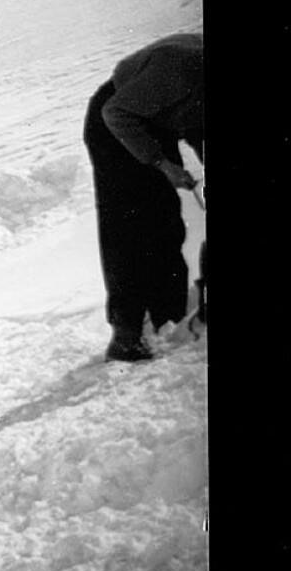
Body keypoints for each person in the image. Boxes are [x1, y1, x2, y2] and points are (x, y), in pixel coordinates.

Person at [88, 31, 205, 361]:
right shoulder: (181, 68)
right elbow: (117, 114)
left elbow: (198, 125)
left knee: (165, 217)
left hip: (154, 123)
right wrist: (163, 164)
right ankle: (126, 335)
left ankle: (170, 316)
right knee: (128, 229)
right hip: (113, 125)